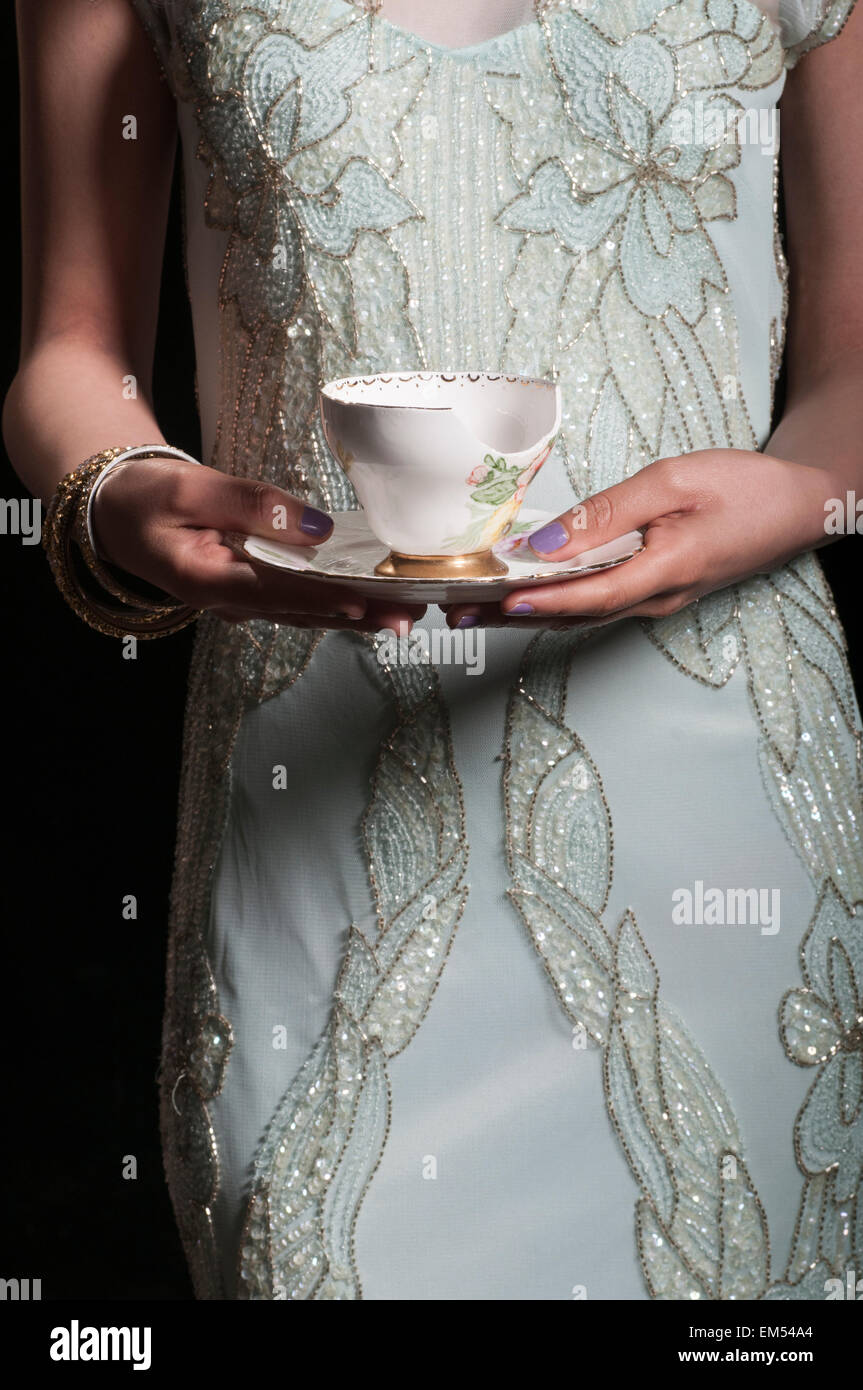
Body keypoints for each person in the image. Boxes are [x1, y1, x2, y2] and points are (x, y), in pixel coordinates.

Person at [6, 0, 863, 1301]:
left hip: (722, 821)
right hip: (319, 831)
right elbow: (71, 347)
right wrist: (123, 487)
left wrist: (792, 491)